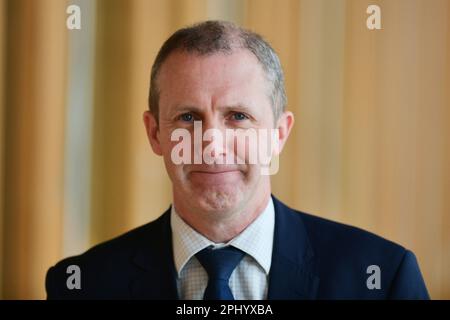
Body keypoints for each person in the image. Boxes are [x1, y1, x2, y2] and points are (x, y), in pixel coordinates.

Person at [46, 20, 429, 300]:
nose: (212, 146)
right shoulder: (82, 286)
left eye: (238, 117)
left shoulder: (381, 279)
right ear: (154, 134)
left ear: (279, 134)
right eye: (189, 117)